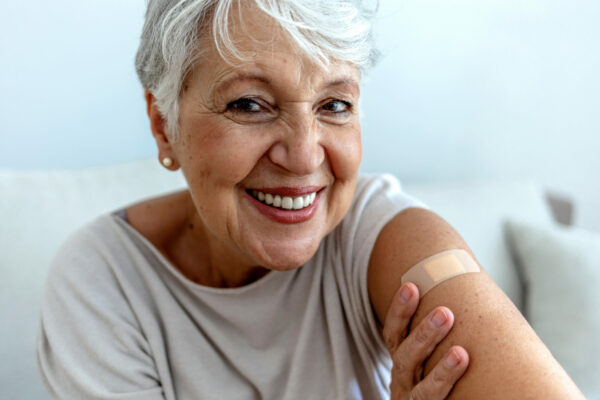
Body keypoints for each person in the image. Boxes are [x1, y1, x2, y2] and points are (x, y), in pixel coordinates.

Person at [36, 1, 584, 399]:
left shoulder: (383, 234)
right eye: (249, 104)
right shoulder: (102, 281)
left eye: (335, 104)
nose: (303, 157)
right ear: (164, 126)